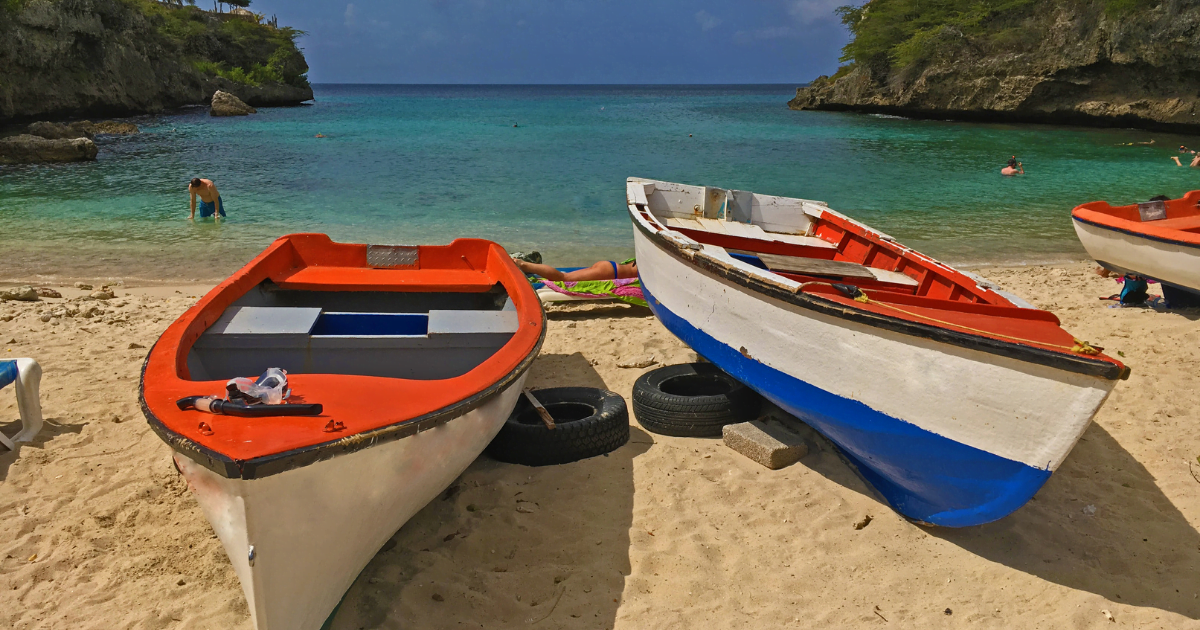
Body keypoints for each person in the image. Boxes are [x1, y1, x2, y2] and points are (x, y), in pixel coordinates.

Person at [515, 258, 637, 282]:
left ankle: (524, 265)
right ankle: (524, 265)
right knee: (563, 278)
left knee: (565, 276)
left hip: (610, 266)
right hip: (611, 273)